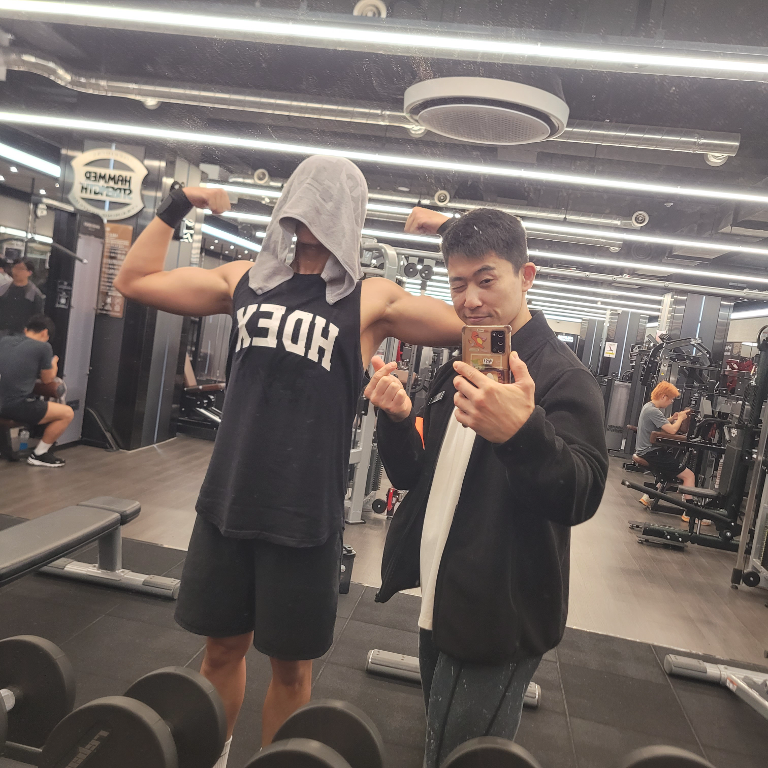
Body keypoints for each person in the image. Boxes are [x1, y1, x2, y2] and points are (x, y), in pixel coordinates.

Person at [113, 155, 463, 766]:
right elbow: (134, 280)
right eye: (305, 201)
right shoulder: (243, 280)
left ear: (349, 214)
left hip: (305, 516)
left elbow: (486, 324)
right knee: (220, 653)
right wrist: (178, 202)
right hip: (228, 503)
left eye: (329, 205)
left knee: (292, 671)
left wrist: (453, 233)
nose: (313, 217)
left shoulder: (370, 299)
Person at [365, 206, 608, 768]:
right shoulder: (467, 361)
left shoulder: (563, 377)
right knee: (437, 741)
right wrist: (397, 421)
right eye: (458, 284)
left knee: (462, 757)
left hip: (500, 610)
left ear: (526, 277)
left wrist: (522, 433)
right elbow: (416, 478)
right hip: (446, 593)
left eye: (486, 280)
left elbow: (582, 494)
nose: (470, 299)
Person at [0, 314, 73, 467]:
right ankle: (39, 454)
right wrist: (54, 366)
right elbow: (47, 379)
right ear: (45, 333)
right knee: (67, 413)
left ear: (25, 330)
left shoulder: (4, 341)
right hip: (13, 406)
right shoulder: (43, 347)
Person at [635, 381, 704, 522]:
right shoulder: (654, 410)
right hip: (651, 452)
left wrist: (672, 419)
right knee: (689, 476)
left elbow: (660, 423)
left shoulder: (648, 407)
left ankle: (648, 497)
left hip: (646, 451)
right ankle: (690, 513)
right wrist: (681, 419)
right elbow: (672, 430)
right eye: (671, 399)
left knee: (669, 473)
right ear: (663, 396)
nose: (671, 402)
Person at [0, 259, 45, 336]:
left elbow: (38, 318)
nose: (16, 271)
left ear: (29, 272)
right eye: (14, 268)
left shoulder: (34, 295)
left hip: (22, 336)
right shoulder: (3, 290)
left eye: (21, 269)